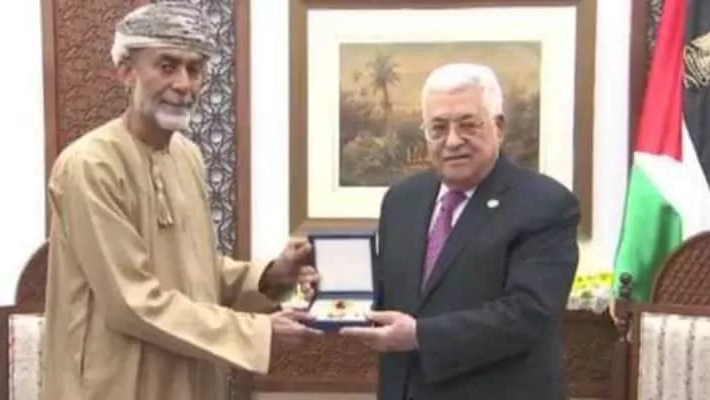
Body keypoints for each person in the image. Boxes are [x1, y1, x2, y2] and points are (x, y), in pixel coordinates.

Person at [40, 3, 322, 400]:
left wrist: (271, 276)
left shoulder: (187, 156)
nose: (184, 84)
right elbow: (131, 301)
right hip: (116, 384)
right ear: (126, 71)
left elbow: (195, 274)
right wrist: (256, 333)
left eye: (195, 69)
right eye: (167, 66)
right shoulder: (90, 166)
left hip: (190, 380)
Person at [340, 63, 580, 399]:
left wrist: (420, 336)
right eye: (438, 128)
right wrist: (334, 289)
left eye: (468, 125)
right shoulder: (402, 199)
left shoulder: (545, 203)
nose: (452, 141)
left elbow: (528, 313)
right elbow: (393, 291)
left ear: (498, 127)